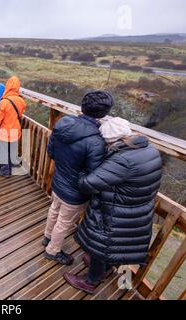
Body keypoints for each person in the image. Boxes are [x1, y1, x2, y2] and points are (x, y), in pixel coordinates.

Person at [64, 117, 163, 294]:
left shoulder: (123, 160)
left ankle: (90, 281)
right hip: (137, 210)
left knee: (102, 244)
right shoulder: (150, 150)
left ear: (113, 140)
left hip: (115, 212)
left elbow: (88, 183)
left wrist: (80, 172)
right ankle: (105, 268)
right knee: (112, 244)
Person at [43, 91, 114, 265]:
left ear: (83, 107)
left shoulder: (63, 123)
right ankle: (52, 250)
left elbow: (51, 151)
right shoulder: (96, 141)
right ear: (103, 114)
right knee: (65, 221)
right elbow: (93, 172)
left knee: (54, 209)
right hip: (74, 191)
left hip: (58, 180)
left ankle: (47, 237)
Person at [0, 76, 26, 177]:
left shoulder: (4, 102)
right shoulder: (21, 100)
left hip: (6, 130)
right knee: (11, 149)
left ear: (8, 86)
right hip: (16, 128)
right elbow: (20, 114)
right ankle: (10, 165)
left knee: (4, 151)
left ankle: (5, 171)